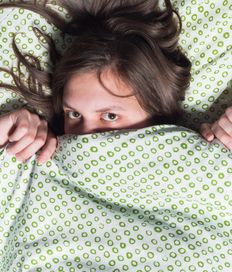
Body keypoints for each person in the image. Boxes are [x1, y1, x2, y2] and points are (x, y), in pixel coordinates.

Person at [0, 0, 231, 165]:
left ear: (157, 110)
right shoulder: (38, 157)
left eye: (110, 116)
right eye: (74, 115)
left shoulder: (204, 159)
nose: (85, 136)